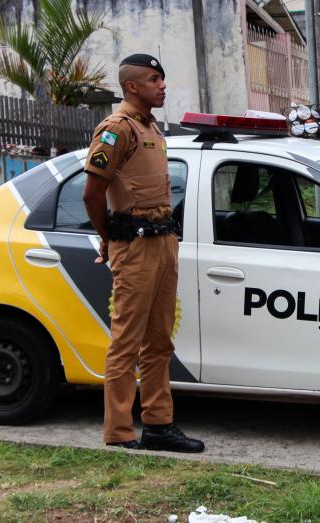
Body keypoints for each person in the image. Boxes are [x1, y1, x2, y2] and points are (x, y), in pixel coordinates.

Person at [82, 54, 204, 453]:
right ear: (132, 86)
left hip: (164, 240)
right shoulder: (116, 129)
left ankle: (159, 425)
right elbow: (92, 192)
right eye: (154, 79)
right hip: (133, 243)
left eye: (163, 79)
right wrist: (108, 238)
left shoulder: (150, 126)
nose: (162, 86)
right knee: (126, 343)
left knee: (159, 341)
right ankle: (118, 432)